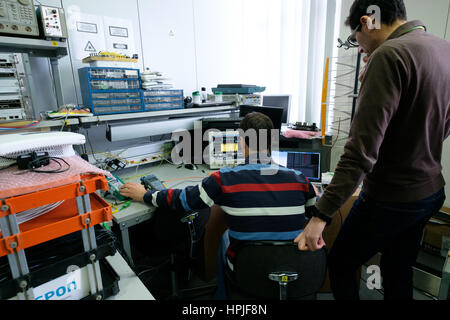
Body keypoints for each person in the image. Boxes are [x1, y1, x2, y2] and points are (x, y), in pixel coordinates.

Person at [295, 0, 450, 300]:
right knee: (397, 270)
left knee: (341, 263)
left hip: (392, 196)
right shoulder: (442, 48)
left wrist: (320, 216)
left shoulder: (389, 55)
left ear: (367, 22)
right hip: (430, 191)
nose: (359, 47)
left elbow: (358, 153)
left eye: (356, 39)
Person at [120, 112, 318, 299]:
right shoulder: (299, 178)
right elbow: (315, 214)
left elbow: (183, 200)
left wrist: (145, 195)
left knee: (225, 237)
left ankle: (224, 295)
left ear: (241, 140)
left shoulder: (224, 179)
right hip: (294, 266)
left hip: (248, 268)